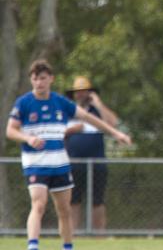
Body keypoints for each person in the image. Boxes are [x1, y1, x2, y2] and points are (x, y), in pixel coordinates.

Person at [5, 60, 132, 250]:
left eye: (42, 78)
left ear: (51, 79)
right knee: (38, 203)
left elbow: (90, 119)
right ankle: (33, 246)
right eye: (35, 79)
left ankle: (67, 246)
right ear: (31, 80)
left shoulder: (60, 102)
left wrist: (116, 133)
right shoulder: (23, 103)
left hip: (59, 163)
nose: (39, 83)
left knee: (64, 210)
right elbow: (10, 131)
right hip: (35, 163)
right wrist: (27, 138)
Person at [65, 76, 119, 231]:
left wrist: (98, 104)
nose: (81, 95)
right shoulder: (68, 111)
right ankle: (71, 237)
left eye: (84, 91)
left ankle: (99, 238)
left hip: (97, 163)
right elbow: (55, 134)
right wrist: (72, 130)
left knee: (98, 201)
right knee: (73, 200)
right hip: (74, 163)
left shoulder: (97, 112)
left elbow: (113, 124)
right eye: (78, 92)